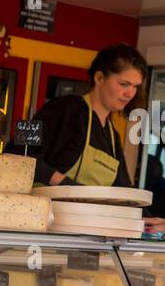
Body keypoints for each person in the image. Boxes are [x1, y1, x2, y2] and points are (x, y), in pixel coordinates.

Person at [12, 44, 146, 187]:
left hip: (84, 209)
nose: (130, 94)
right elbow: (18, 151)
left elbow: (123, 188)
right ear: (99, 78)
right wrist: (64, 183)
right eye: (124, 84)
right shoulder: (61, 108)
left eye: (135, 86)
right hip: (46, 207)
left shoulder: (112, 136)